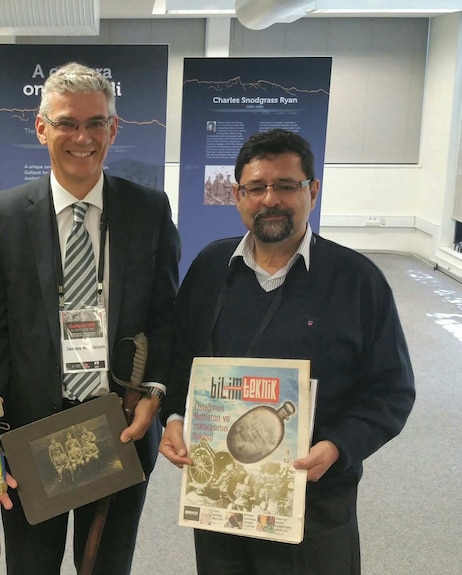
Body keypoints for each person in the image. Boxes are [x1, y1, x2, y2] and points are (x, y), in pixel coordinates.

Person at [159, 128, 416, 574]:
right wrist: (176, 419)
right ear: (238, 195)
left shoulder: (357, 281)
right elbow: (180, 360)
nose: (269, 199)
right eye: (256, 187)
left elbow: (391, 390)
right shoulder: (209, 269)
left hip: (315, 504)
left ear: (312, 191)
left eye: (285, 185)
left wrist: (338, 446)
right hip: (223, 502)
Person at [0, 62, 181, 575]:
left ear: (113, 128)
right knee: (31, 566)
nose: (82, 137)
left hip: (119, 424)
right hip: (32, 430)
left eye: (96, 123)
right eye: (66, 123)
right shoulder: (2, 215)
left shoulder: (148, 210)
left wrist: (154, 390)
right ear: (42, 129)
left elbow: (165, 315)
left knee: (105, 565)